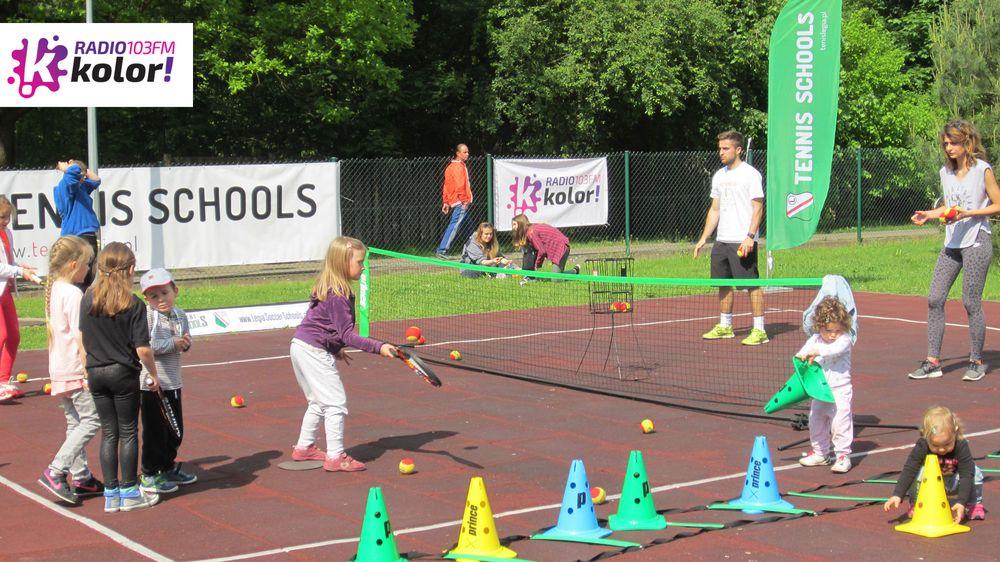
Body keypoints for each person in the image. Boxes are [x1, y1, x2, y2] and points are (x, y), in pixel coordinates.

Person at [289, 236, 397, 472]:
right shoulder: (339, 294)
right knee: (335, 403)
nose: (364, 266)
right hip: (313, 350)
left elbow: (322, 323)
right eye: (360, 262)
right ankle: (336, 457)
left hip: (300, 345)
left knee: (318, 401)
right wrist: (379, 347)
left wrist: (335, 348)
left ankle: (304, 448)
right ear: (343, 263)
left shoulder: (327, 286)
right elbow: (347, 334)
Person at [908, 119, 1000, 382]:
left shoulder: (983, 170)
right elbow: (950, 207)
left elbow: (997, 204)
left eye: (954, 142)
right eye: (946, 143)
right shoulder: (944, 173)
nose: (948, 147)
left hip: (977, 240)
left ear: (967, 143)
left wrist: (969, 213)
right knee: (935, 298)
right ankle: (933, 362)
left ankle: (976, 361)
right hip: (952, 243)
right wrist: (929, 214)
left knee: (971, 301)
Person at [79, 242, 161, 512]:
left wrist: (86, 369)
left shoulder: (88, 299)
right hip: (122, 373)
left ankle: (111, 494)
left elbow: (82, 341)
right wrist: (153, 373)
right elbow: (142, 349)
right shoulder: (133, 305)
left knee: (108, 433)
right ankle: (129, 491)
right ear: (131, 269)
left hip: (96, 371)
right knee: (128, 432)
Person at [37, 236, 102, 504]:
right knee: (92, 419)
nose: (89, 269)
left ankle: (82, 476)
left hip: (60, 367)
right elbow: (80, 335)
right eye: (87, 264)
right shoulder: (74, 294)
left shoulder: (57, 290)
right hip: (74, 367)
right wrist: (88, 369)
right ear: (74, 265)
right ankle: (56, 469)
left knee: (75, 422)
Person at [693, 131, 767, 346]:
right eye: (720, 148)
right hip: (722, 241)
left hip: (742, 240)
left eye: (725, 148)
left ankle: (760, 329)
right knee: (723, 284)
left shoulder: (750, 174)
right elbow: (715, 209)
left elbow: (758, 208)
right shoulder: (719, 176)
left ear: (738, 150)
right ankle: (725, 326)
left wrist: (750, 237)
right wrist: (704, 238)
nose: (721, 152)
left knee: (752, 284)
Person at [137, 268, 196, 495]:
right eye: (154, 296)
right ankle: (150, 473)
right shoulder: (149, 317)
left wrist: (186, 343)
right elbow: (146, 348)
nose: (160, 299)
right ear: (146, 299)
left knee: (175, 429)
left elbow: (185, 342)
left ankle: (167, 467)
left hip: (173, 381)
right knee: (155, 431)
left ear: (175, 290)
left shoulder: (180, 315)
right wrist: (174, 343)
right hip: (152, 384)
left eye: (164, 293)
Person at [883, 406, 986, 522]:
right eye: (936, 446)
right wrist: (897, 494)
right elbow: (909, 469)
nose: (942, 450)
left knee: (975, 471)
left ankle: (973, 504)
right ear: (926, 437)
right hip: (930, 484)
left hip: (954, 481)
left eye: (947, 444)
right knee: (917, 471)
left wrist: (961, 501)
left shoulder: (960, 445)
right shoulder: (922, 445)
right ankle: (917, 503)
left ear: (954, 434)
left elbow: (966, 474)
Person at [796, 296, 855, 474]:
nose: (833, 335)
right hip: (820, 391)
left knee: (840, 424)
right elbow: (802, 353)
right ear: (819, 326)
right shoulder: (815, 340)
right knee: (816, 421)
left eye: (837, 330)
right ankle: (821, 453)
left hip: (840, 390)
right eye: (828, 330)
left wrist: (817, 351)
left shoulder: (844, 339)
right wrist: (802, 356)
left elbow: (833, 350)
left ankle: (843, 456)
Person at [0, 195, 38, 403]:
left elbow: (9, 260)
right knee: (2, 334)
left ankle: (3, 380)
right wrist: (18, 271)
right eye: (2, 217)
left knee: (14, 335)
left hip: (5, 291)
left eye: (8, 217)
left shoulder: (7, 233)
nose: (5, 221)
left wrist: (22, 267)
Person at [53, 160, 101, 288]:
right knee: (77, 276)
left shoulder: (81, 187)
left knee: (88, 275)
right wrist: (67, 167)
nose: (83, 178)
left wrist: (84, 170)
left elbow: (96, 180)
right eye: (81, 176)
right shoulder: (65, 187)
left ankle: (83, 301)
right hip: (77, 237)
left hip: (87, 236)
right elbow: (73, 172)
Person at [510, 214, 580, 282]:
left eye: (514, 224)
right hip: (557, 248)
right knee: (556, 276)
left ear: (521, 223)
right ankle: (574, 271)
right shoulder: (531, 230)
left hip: (561, 248)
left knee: (556, 280)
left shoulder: (531, 232)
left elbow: (542, 251)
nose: (513, 227)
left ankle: (574, 271)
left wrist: (537, 265)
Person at [435, 144, 473, 259]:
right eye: (464, 152)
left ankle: (474, 250)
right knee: (454, 225)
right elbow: (459, 185)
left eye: (467, 152)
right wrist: (464, 200)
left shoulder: (450, 167)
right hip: (461, 202)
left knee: (469, 228)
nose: (467, 154)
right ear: (458, 153)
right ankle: (442, 250)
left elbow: (446, 186)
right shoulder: (458, 167)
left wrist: (446, 202)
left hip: (456, 201)